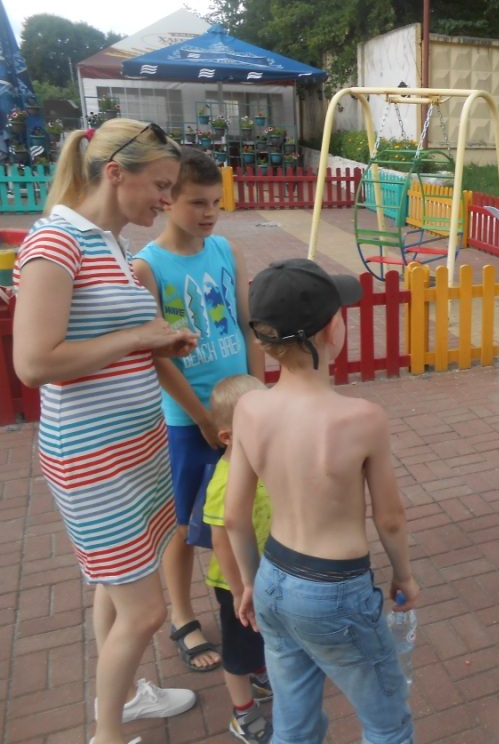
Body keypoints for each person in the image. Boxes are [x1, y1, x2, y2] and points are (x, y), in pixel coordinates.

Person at [12, 119, 199, 744]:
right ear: (116, 173)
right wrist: (139, 336)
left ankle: (126, 698)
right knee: (145, 611)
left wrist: (154, 343)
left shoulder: (110, 243)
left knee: (117, 589)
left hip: (133, 448)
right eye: (161, 186)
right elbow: (35, 363)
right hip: (93, 458)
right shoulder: (55, 241)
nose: (167, 201)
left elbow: (102, 341)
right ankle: (108, 734)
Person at [225, 259, 418, 744]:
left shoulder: (249, 407)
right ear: (334, 329)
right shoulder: (362, 418)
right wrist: (404, 575)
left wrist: (248, 583)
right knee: (388, 723)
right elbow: (390, 519)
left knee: (294, 724)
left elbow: (234, 517)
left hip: (273, 580)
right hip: (336, 589)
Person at [132, 147, 263, 673]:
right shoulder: (148, 266)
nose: (209, 213)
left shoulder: (227, 250)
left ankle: (247, 595)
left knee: (246, 508)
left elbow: (246, 325)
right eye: (197, 203)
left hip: (240, 410)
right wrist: (203, 418)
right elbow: (157, 356)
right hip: (189, 421)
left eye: (216, 202)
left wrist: (258, 395)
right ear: (167, 200)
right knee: (185, 525)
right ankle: (183, 615)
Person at [202, 374, 274, 743]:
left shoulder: (262, 464)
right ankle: (242, 712)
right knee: (238, 649)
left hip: (261, 572)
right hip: (236, 583)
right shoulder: (225, 480)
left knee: (260, 633)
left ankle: (260, 673)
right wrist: (237, 591)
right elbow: (221, 542)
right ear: (228, 437)